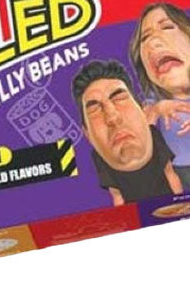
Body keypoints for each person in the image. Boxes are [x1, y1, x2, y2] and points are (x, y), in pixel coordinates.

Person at [72, 60, 182, 205]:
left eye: (119, 98)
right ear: (87, 135)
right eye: (94, 109)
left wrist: (180, 204)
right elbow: (116, 195)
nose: (112, 117)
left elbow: (170, 173)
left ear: (144, 111)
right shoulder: (99, 158)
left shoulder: (154, 135)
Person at [128, 2, 190, 191]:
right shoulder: (154, 97)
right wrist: (158, 108)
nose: (153, 42)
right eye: (145, 38)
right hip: (175, 167)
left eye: (166, 27)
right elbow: (142, 127)